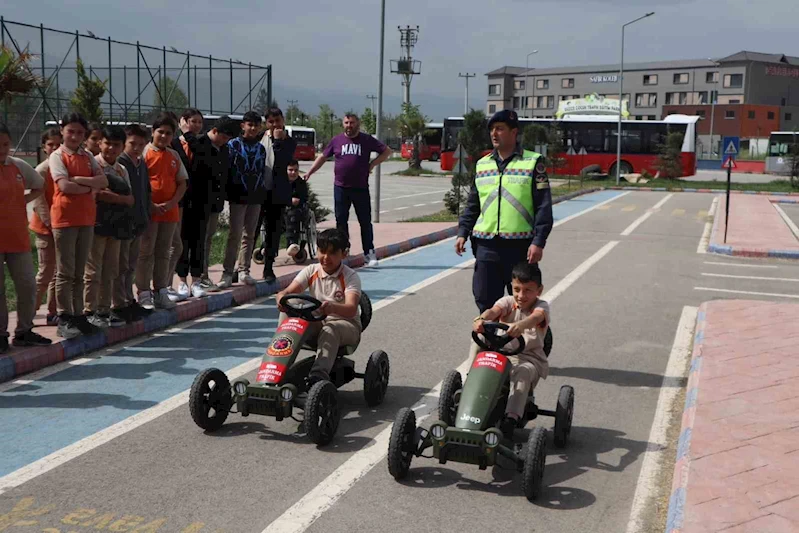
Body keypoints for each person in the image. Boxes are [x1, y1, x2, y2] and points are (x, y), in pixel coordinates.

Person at [455, 110, 553, 313]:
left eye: (500, 129)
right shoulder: (483, 164)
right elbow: (474, 203)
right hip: (486, 245)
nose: (494, 133)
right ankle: (491, 342)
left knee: (523, 303)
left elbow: (544, 205)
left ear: (514, 132)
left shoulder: (533, 163)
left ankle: (524, 343)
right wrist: (463, 231)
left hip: (520, 247)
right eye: (492, 129)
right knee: (485, 301)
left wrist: (539, 241)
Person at [472, 262, 550, 439]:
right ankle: (470, 383)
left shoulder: (541, 306)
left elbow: (536, 318)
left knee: (522, 372)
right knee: (478, 340)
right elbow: (493, 311)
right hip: (500, 354)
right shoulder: (508, 302)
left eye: (528, 290)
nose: (521, 295)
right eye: (517, 289)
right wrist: (480, 319)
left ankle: (511, 419)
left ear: (539, 290)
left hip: (529, 358)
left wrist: (520, 326)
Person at [303, 113, 392, 267]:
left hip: (361, 188)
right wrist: (310, 172)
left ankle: (369, 252)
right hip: (341, 188)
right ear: (343, 124)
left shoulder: (366, 139)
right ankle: (343, 251)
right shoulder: (336, 140)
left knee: (365, 221)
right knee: (341, 221)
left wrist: (372, 164)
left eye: (352, 123)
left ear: (357, 124)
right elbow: (323, 157)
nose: (349, 125)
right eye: (346, 123)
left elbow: (386, 151)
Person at [275, 229, 362, 385]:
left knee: (330, 329)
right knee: (291, 305)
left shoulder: (350, 277)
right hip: (318, 321)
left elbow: (351, 308)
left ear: (344, 254)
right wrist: (281, 297)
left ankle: (317, 377)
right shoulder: (311, 270)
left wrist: (333, 308)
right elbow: (289, 291)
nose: (326, 258)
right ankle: (276, 367)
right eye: (322, 251)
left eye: (332, 253)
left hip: (346, 325)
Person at [49, 113, 109, 338]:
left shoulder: (86, 156)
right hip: (64, 220)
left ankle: (78, 315)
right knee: (65, 272)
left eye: (80, 133)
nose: (75, 136)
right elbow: (64, 186)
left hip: (85, 219)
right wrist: (88, 187)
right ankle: (64, 317)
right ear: (62, 130)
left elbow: (103, 181)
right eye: (70, 131)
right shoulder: (58, 156)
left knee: (79, 271)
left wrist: (80, 181)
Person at [0, 123, 52, 353]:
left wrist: (22, 201)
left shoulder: (18, 166)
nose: (1, 149)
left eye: (5, 144)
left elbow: (40, 185)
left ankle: (23, 331)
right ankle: (1, 335)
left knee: (27, 286)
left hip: (18, 237)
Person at [178, 115, 239, 296]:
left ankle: (201, 276)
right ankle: (187, 278)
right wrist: (186, 132)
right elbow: (199, 151)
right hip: (195, 201)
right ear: (215, 131)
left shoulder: (224, 149)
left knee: (206, 240)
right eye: (225, 137)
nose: (226, 141)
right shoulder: (201, 144)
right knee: (190, 241)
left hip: (214, 203)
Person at [136, 113, 188, 310]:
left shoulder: (173, 155)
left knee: (164, 252)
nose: (164, 136)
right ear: (153, 132)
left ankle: (161, 291)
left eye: (169, 133)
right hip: (150, 212)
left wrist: (173, 201)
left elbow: (182, 182)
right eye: (161, 132)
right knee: (146, 252)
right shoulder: (144, 153)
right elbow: (139, 184)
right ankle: (143, 292)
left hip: (170, 212)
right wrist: (151, 204)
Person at [83, 126, 133, 328]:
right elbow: (96, 194)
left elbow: (130, 199)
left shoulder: (122, 169)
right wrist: (118, 198)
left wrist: (114, 197)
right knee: (92, 270)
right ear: (99, 143)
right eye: (107, 143)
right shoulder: (92, 165)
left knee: (110, 269)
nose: (111, 148)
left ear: (122, 147)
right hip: (94, 223)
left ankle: (104, 310)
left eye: (116, 145)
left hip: (115, 225)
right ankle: (89, 310)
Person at [219, 111, 268, 288]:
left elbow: (262, 171)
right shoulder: (233, 145)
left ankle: (244, 271)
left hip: (255, 197)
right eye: (250, 124)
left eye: (256, 125)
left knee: (249, 235)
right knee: (235, 234)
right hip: (237, 196)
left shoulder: (261, 148)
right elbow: (227, 170)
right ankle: (227, 273)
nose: (253, 128)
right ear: (243, 126)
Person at [115, 124, 153, 323]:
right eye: (132, 144)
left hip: (138, 221)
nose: (136, 147)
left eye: (141, 144)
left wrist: (145, 216)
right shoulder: (120, 164)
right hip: (122, 223)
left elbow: (146, 192)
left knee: (131, 265)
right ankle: (119, 303)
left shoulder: (141, 163)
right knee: (120, 266)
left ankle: (129, 300)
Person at [167, 108, 203, 302]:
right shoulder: (172, 144)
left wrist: (189, 135)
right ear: (183, 122)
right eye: (192, 121)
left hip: (199, 200)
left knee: (198, 241)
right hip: (179, 200)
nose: (196, 125)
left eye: (199, 122)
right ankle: (181, 280)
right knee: (180, 241)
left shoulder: (202, 143)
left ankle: (196, 281)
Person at [257, 107, 297, 283]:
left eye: (277, 121)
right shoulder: (260, 139)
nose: (275, 125)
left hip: (278, 194)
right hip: (258, 193)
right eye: (271, 122)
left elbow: (282, 162)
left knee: (273, 231)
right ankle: (242, 268)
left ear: (283, 120)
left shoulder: (289, 142)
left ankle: (268, 267)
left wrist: (278, 142)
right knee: (251, 230)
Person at [30, 127, 63, 326]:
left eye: (58, 144)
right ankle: (29, 311)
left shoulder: (63, 167)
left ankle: (53, 312)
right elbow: (39, 202)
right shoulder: (42, 170)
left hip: (60, 227)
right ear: (44, 148)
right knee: (45, 273)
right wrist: (52, 225)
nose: (54, 148)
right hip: (45, 229)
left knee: (58, 274)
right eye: (50, 144)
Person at [285, 159, 309, 258]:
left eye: (296, 170)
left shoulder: (301, 184)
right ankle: (267, 247)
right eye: (290, 170)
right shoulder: (281, 182)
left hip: (297, 210)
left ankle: (292, 244)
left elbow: (304, 198)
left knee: (293, 216)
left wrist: (298, 201)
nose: (293, 173)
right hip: (282, 208)